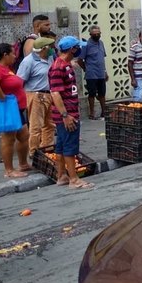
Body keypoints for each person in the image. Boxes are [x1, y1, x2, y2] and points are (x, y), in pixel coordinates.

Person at [48, 36, 93, 189]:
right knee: (70, 147)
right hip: (67, 115)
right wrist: (65, 115)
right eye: (78, 47)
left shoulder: (65, 64)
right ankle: (74, 179)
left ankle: (62, 176)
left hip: (69, 112)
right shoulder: (58, 67)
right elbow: (55, 94)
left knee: (61, 146)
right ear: (72, 49)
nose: (80, 50)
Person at [0, 44, 31, 178]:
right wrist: (3, 98)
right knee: (8, 139)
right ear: (5, 55)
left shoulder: (6, 68)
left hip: (17, 109)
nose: (15, 56)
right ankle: (9, 170)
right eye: (12, 53)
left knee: (24, 136)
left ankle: (23, 164)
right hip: (9, 110)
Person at [16, 36, 55, 154]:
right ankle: (34, 152)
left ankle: (47, 150)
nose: (53, 48)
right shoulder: (28, 61)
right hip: (36, 95)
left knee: (49, 125)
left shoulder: (49, 58)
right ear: (43, 48)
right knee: (36, 126)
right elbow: (20, 81)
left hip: (49, 94)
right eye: (50, 46)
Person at [77, 25, 108, 120]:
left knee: (102, 93)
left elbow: (102, 58)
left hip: (101, 73)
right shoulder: (86, 45)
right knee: (92, 94)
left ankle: (104, 112)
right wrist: (86, 69)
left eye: (98, 33)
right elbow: (79, 60)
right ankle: (92, 114)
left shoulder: (101, 43)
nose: (97, 35)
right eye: (95, 33)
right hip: (91, 74)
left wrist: (105, 72)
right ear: (90, 34)